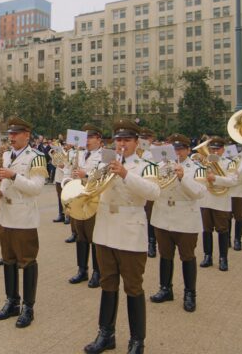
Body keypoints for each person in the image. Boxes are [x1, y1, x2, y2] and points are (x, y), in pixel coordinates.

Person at [83, 120, 161, 354]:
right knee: (108, 284)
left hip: (130, 231)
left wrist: (126, 174)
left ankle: (137, 341)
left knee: (133, 287)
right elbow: (91, 187)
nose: (121, 144)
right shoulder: (105, 163)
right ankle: (106, 334)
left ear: (136, 142)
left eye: (127, 140)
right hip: (105, 229)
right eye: (118, 140)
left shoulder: (147, 164)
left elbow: (153, 192)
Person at [0, 117, 47, 328]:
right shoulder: (5, 155)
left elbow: (37, 188)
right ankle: (11, 301)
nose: (11, 137)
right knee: (8, 260)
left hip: (24, 217)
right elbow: (1, 180)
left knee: (27, 262)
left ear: (27, 135)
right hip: (5, 214)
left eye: (16, 134)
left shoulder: (37, 157)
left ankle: (28, 307)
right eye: (10, 134)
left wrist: (13, 176)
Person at [149, 134, 206, 313]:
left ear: (188, 150)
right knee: (165, 255)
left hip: (185, 217)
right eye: (173, 149)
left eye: (180, 148)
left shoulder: (197, 167)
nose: (177, 152)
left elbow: (199, 192)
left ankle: (190, 293)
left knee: (187, 256)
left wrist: (183, 178)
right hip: (163, 215)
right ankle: (165, 289)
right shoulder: (159, 166)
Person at [63, 123, 105, 288]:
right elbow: (67, 171)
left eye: (90, 137)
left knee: (94, 237)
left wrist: (85, 175)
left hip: (93, 199)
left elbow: (104, 174)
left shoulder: (104, 155)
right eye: (85, 137)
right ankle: (82, 270)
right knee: (80, 236)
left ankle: (97, 272)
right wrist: (68, 183)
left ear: (98, 139)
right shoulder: (77, 154)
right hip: (77, 198)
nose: (86, 141)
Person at [199, 137, 239, 272]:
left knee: (222, 230)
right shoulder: (205, 162)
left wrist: (215, 178)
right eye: (212, 149)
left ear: (223, 150)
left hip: (221, 201)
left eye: (217, 149)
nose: (214, 151)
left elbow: (233, 181)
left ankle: (223, 258)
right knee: (206, 230)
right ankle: (207, 256)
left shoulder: (230, 163)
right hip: (206, 199)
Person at [138, 127, 158, 258]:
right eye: (142, 138)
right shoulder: (136, 151)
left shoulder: (155, 151)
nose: (144, 140)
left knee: (150, 216)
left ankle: (152, 243)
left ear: (151, 139)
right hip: (137, 186)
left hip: (149, 184)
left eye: (146, 138)